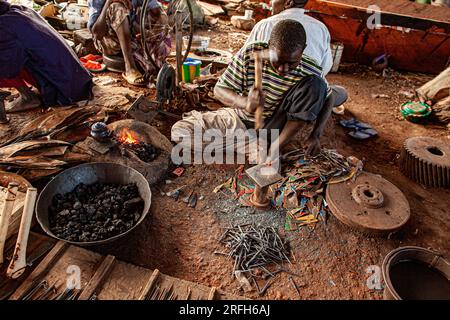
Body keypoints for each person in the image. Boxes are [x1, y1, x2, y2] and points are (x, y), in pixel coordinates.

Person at [171, 20, 334, 161]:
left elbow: (329, 97)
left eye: (291, 63)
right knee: (180, 131)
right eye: (277, 61)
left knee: (316, 85)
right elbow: (220, 90)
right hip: (239, 120)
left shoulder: (310, 68)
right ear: (269, 45)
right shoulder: (252, 53)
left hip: (275, 126)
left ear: (303, 50)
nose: (283, 69)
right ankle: (247, 144)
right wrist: (245, 102)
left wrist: (316, 135)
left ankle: (266, 148)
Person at [0, 1, 93, 112]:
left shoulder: (4, 26)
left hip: (65, 90)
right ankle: (28, 93)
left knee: (5, 61)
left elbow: (9, 69)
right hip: (79, 79)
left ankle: (28, 97)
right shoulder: (19, 9)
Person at [88, 0, 171, 86]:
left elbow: (156, 9)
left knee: (156, 11)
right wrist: (109, 2)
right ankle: (130, 67)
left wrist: (153, 33)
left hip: (131, 34)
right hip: (108, 41)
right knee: (117, 7)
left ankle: (155, 55)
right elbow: (97, 33)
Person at [245, 0, 332, 76]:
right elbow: (325, 67)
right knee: (339, 92)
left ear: (288, 2)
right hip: (303, 90)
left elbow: (245, 57)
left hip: (263, 86)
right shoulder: (321, 28)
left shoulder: (264, 25)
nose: (271, 3)